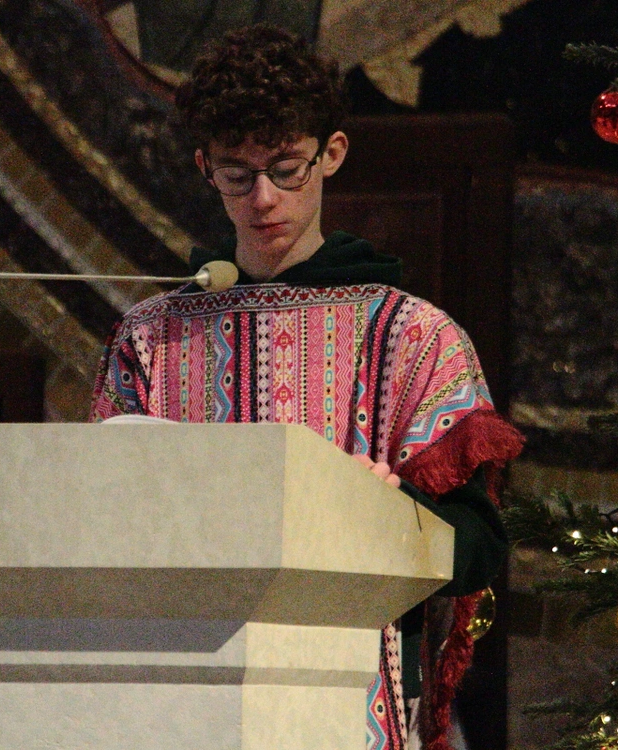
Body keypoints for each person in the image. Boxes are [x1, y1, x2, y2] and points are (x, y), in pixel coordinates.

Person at [90, 24, 523, 750]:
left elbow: (478, 547)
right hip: (176, 702)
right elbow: (95, 520)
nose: (263, 198)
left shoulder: (410, 334)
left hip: (350, 708)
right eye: (236, 174)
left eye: (287, 169)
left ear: (332, 154)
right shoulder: (149, 336)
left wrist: (388, 512)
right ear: (204, 167)